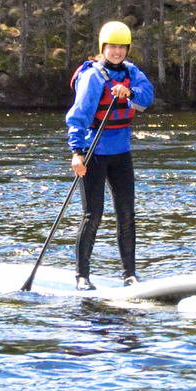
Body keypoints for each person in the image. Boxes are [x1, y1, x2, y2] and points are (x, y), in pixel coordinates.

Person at [66, 21, 154, 290]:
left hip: (121, 153)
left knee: (126, 214)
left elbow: (147, 97)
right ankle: (82, 276)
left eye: (122, 47)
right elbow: (78, 117)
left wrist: (130, 92)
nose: (117, 52)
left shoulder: (132, 72)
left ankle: (130, 274)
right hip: (93, 153)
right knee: (93, 214)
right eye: (112, 47)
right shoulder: (93, 77)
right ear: (103, 47)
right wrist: (77, 153)